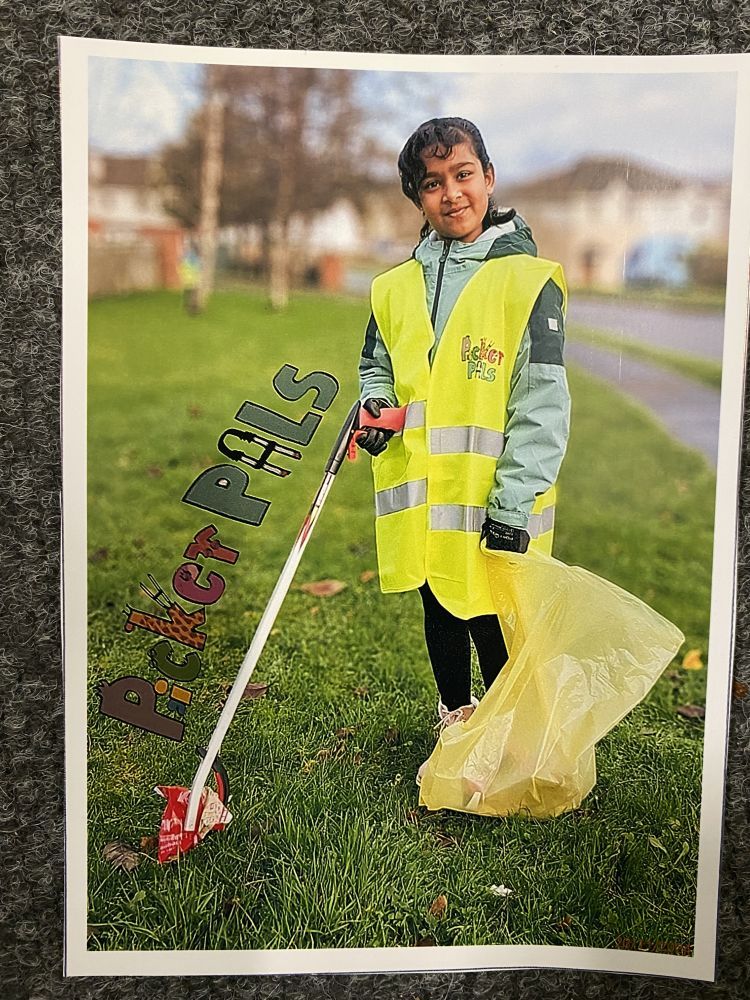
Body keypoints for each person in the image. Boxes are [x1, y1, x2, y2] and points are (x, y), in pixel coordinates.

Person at [356, 117, 571, 783]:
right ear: (416, 198)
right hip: (428, 492)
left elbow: (542, 402)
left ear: (489, 177)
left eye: (463, 175)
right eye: (432, 183)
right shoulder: (396, 287)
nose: (451, 193)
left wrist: (513, 501)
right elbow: (377, 367)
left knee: (492, 615)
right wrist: (376, 409)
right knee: (440, 606)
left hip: (497, 495)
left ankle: (512, 740)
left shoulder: (528, 281)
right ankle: (455, 719)